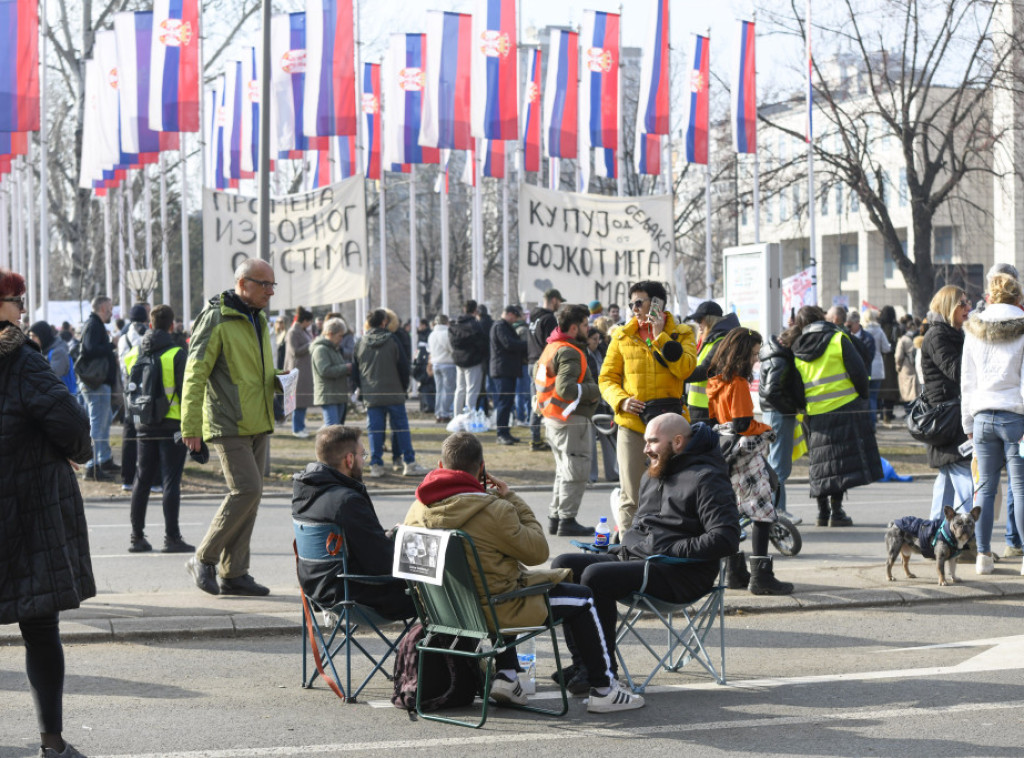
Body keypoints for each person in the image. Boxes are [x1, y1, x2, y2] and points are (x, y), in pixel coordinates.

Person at [405, 432, 644, 713]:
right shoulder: (495, 510)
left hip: (444, 611)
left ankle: (507, 675)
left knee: (495, 578)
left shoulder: (417, 508)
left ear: (440, 465)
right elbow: (538, 551)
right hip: (494, 611)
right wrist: (512, 499)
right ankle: (604, 688)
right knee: (584, 599)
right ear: (481, 468)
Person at [551, 415, 740, 685]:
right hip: (643, 560)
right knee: (565, 565)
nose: (645, 448)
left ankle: (603, 672)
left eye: (652, 441)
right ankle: (584, 664)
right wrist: (620, 548)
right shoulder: (653, 473)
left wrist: (671, 548)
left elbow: (726, 539)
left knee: (595, 576)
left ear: (677, 442)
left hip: (682, 573)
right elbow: (640, 529)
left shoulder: (708, 478)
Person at [1, 269, 95, 758]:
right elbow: (74, 428)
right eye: (17, 300)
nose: (21, 309)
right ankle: (52, 744)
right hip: (28, 512)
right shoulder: (21, 362)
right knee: (40, 632)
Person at [181, 258, 279, 597]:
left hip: (258, 419)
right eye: (264, 284)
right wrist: (189, 427)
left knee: (252, 497)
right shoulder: (216, 318)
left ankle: (234, 573)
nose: (270, 291)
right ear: (242, 284)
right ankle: (203, 558)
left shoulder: (258, 318)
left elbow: (255, 372)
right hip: (228, 421)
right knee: (246, 490)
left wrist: (281, 381)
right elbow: (194, 375)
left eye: (272, 285)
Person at [599, 280, 697, 533]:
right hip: (632, 425)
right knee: (631, 495)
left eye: (639, 302)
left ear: (657, 304)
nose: (634, 308)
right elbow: (606, 378)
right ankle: (627, 554)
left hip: (669, 426)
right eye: (631, 303)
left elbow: (685, 369)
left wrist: (660, 336)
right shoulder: (622, 335)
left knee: (672, 490)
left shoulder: (683, 333)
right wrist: (621, 400)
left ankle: (667, 547)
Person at [292, 426, 415, 619]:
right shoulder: (347, 500)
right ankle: (430, 648)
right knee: (435, 595)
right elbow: (382, 563)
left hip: (317, 592)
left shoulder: (304, 491)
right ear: (349, 460)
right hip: (351, 596)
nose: (363, 461)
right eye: (362, 455)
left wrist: (385, 537)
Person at [706, 329, 794, 595]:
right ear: (742, 353)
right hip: (745, 455)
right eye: (754, 353)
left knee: (733, 513)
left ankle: (734, 571)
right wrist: (765, 428)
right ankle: (761, 577)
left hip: (723, 451)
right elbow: (743, 423)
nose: (756, 360)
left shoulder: (715, 381)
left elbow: (718, 421)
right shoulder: (739, 383)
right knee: (763, 512)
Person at [790, 305, 882, 527]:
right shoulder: (837, 340)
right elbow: (859, 372)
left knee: (820, 463)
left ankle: (822, 513)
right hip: (843, 408)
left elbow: (795, 387)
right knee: (839, 462)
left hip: (814, 414)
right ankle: (837, 512)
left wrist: (805, 406)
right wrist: (861, 398)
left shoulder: (795, 348)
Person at [961, 272, 1024, 575]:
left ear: (989, 296)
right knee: (1021, 488)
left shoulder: (974, 328)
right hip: (1016, 416)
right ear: (1018, 297)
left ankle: (983, 556)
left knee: (984, 489)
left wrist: (967, 421)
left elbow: (967, 381)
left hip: (983, 416)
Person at [123, 304, 194, 554]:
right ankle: (171, 537)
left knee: (141, 479)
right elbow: (187, 393)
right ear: (171, 325)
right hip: (171, 423)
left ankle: (136, 536)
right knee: (170, 481)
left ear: (150, 325)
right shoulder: (177, 353)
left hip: (142, 423)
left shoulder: (135, 352)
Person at [536, 304, 601, 537]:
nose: (588, 328)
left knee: (564, 471)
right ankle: (567, 519)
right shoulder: (570, 351)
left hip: (554, 418)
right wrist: (596, 389)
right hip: (570, 419)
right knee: (576, 470)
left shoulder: (551, 347)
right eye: (585, 324)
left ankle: (556, 517)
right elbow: (566, 389)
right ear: (574, 328)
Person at [353, 308, 428, 478]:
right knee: (401, 429)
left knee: (375, 431)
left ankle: (376, 465)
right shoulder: (393, 339)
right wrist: (404, 387)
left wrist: (363, 389)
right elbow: (403, 366)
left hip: (372, 395)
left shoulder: (360, 342)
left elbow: (355, 372)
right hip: (394, 392)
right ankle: (409, 463)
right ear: (384, 322)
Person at [920, 286, 973, 522]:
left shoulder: (953, 333)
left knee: (947, 479)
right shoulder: (938, 336)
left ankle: (935, 534)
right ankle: (969, 539)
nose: (968, 307)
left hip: (951, 414)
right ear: (949, 307)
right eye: (962, 303)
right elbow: (957, 371)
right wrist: (975, 344)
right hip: (946, 418)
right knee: (964, 477)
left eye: (967, 302)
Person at [758, 320, 806, 525]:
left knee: (775, 463)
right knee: (779, 466)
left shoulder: (773, 354)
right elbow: (772, 391)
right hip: (779, 413)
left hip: (773, 413)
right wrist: (791, 407)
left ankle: (778, 508)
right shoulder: (781, 360)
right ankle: (777, 510)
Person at [78, 295, 120, 482]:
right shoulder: (94, 325)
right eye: (110, 308)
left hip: (99, 383)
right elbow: (89, 349)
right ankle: (92, 466)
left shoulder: (94, 324)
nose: (112, 312)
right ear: (103, 308)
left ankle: (102, 460)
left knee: (102, 424)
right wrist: (111, 345)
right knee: (97, 425)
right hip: (95, 383)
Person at [684, 300, 739, 423]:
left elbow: (704, 371)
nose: (699, 325)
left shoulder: (721, 341)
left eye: (700, 320)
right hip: (701, 408)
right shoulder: (711, 340)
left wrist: (678, 375)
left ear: (710, 320)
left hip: (708, 410)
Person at [118, 304, 152, 491]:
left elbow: (123, 366)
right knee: (147, 432)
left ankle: (127, 478)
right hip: (146, 389)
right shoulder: (147, 335)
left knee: (129, 431)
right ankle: (148, 477)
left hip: (130, 389)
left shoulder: (123, 338)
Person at [526, 289, 564, 452]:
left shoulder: (534, 317)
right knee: (543, 400)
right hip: (543, 363)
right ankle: (537, 439)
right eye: (559, 301)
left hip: (532, 362)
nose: (560, 305)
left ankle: (535, 437)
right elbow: (552, 343)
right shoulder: (549, 319)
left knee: (536, 399)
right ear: (553, 299)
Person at [490, 304, 528, 445]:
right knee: (504, 403)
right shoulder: (500, 326)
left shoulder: (504, 326)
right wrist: (526, 344)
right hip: (502, 370)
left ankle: (505, 432)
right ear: (510, 314)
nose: (515, 320)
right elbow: (508, 344)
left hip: (507, 370)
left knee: (507, 403)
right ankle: (501, 434)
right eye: (515, 316)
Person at [585, 327, 617, 484]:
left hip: (604, 402)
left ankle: (612, 472)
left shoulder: (601, 352)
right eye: (594, 339)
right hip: (591, 403)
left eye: (598, 339)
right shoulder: (583, 354)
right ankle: (592, 476)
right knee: (590, 442)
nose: (597, 343)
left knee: (608, 440)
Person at [449, 300, 488, 417]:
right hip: (473, 361)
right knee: (472, 389)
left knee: (460, 389)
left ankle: (457, 415)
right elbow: (482, 343)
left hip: (459, 360)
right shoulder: (475, 325)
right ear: (475, 310)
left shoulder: (455, 325)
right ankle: (469, 415)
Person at [312, 317, 352, 427]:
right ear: (330, 333)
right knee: (332, 428)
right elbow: (324, 370)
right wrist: (346, 368)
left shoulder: (334, 349)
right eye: (340, 335)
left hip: (337, 394)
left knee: (336, 429)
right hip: (328, 395)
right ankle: (322, 444)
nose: (341, 339)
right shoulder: (321, 350)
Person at [285, 307, 315, 438]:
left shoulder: (302, 331)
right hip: (297, 370)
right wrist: (311, 344)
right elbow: (295, 351)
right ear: (305, 321)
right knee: (297, 402)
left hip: (304, 371)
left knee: (302, 401)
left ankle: (301, 426)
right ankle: (297, 428)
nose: (310, 325)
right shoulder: (293, 332)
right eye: (309, 322)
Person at [860, 309, 891, 427]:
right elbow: (886, 348)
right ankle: (873, 422)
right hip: (878, 367)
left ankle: (867, 423)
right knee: (873, 397)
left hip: (865, 366)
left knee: (865, 397)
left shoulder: (863, 331)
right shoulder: (879, 331)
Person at [29, 320, 76, 396]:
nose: (31, 339)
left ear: (42, 336)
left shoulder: (58, 352)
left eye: (34, 336)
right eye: (30, 336)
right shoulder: (44, 351)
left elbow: (51, 377)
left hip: (63, 400)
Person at [427, 314, 456, 423]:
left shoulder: (431, 334)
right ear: (446, 322)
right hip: (447, 363)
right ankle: (445, 413)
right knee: (448, 390)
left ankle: (438, 413)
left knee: (439, 390)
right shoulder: (446, 333)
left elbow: (429, 349)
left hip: (436, 364)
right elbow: (451, 348)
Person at [878, 305, 902, 421]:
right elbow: (898, 342)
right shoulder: (895, 328)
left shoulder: (878, 327)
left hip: (879, 359)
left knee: (879, 388)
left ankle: (880, 413)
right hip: (891, 360)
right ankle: (888, 413)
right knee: (891, 388)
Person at [894, 315, 919, 408]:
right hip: (915, 366)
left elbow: (898, 356)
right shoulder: (918, 338)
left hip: (905, 366)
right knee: (915, 388)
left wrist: (898, 367)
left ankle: (908, 410)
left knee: (906, 389)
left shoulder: (903, 339)